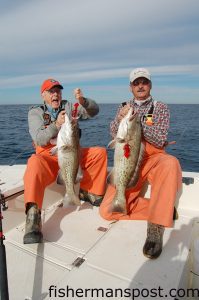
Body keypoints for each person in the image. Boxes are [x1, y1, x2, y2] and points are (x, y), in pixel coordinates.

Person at [99, 68, 182, 259]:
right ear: (131, 87)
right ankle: (164, 208)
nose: (140, 86)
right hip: (128, 159)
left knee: (170, 162)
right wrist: (121, 118)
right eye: (136, 83)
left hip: (152, 159)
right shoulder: (123, 107)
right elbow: (113, 133)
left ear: (150, 85)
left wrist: (136, 123)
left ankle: (155, 227)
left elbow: (160, 139)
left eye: (144, 82)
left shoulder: (160, 107)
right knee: (107, 211)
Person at [23, 78, 107, 244]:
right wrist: (56, 124)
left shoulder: (69, 106)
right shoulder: (35, 113)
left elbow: (94, 111)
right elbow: (39, 139)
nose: (56, 94)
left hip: (71, 151)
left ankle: (89, 193)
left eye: (58, 91)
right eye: (51, 91)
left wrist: (83, 101)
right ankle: (33, 217)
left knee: (99, 153)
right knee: (33, 162)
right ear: (43, 95)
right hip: (47, 156)